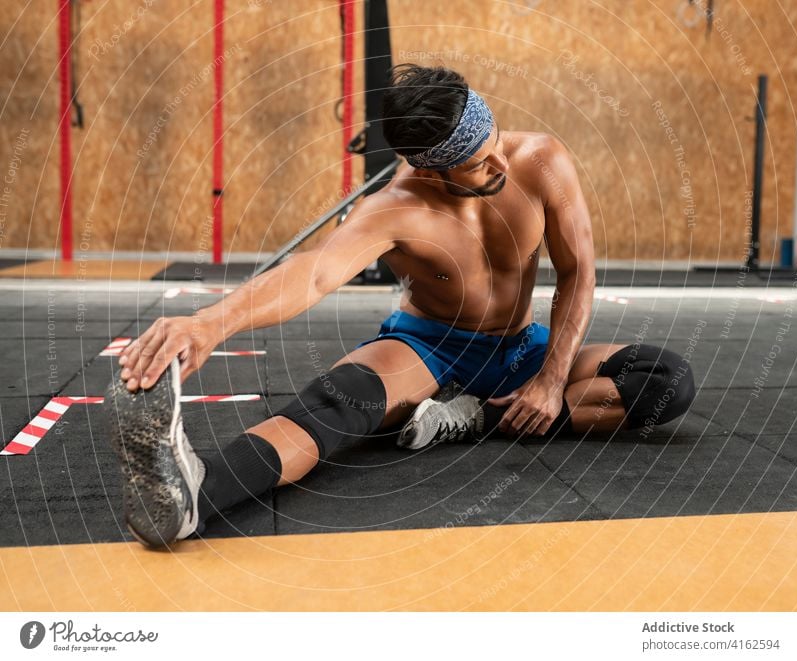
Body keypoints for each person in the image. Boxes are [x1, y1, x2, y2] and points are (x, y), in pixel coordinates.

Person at [104, 64, 696, 548]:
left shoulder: (541, 160)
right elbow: (313, 275)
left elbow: (579, 272)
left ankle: (473, 416)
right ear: (431, 170)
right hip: (427, 347)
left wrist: (549, 379)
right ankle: (191, 501)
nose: (499, 166)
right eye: (476, 164)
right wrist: (211, 322)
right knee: (339, 404)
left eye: (496, 147)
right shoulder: (394, 207)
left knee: (665, 381)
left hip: (520, 349)